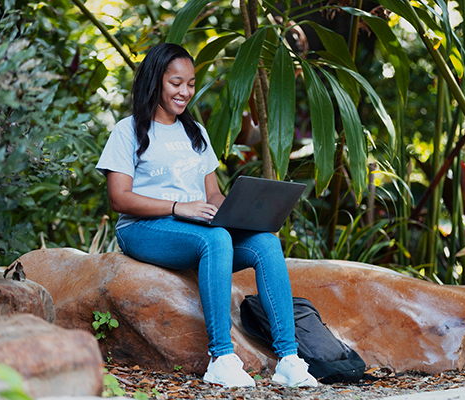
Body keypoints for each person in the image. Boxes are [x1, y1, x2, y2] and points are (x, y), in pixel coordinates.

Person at [96, 43, 318, 389]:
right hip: (143, 229)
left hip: (194, 227)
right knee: (215, 239)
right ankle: (221, 358)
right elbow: (118, 198)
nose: (185, 92)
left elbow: (212, 193)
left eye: (191, 83)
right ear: (155, 81)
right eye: (176, 83)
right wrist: (177, 208)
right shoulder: (128, 130)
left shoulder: (194, 132)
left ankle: (289, 359)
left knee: (265, 244)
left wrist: (239, 211)